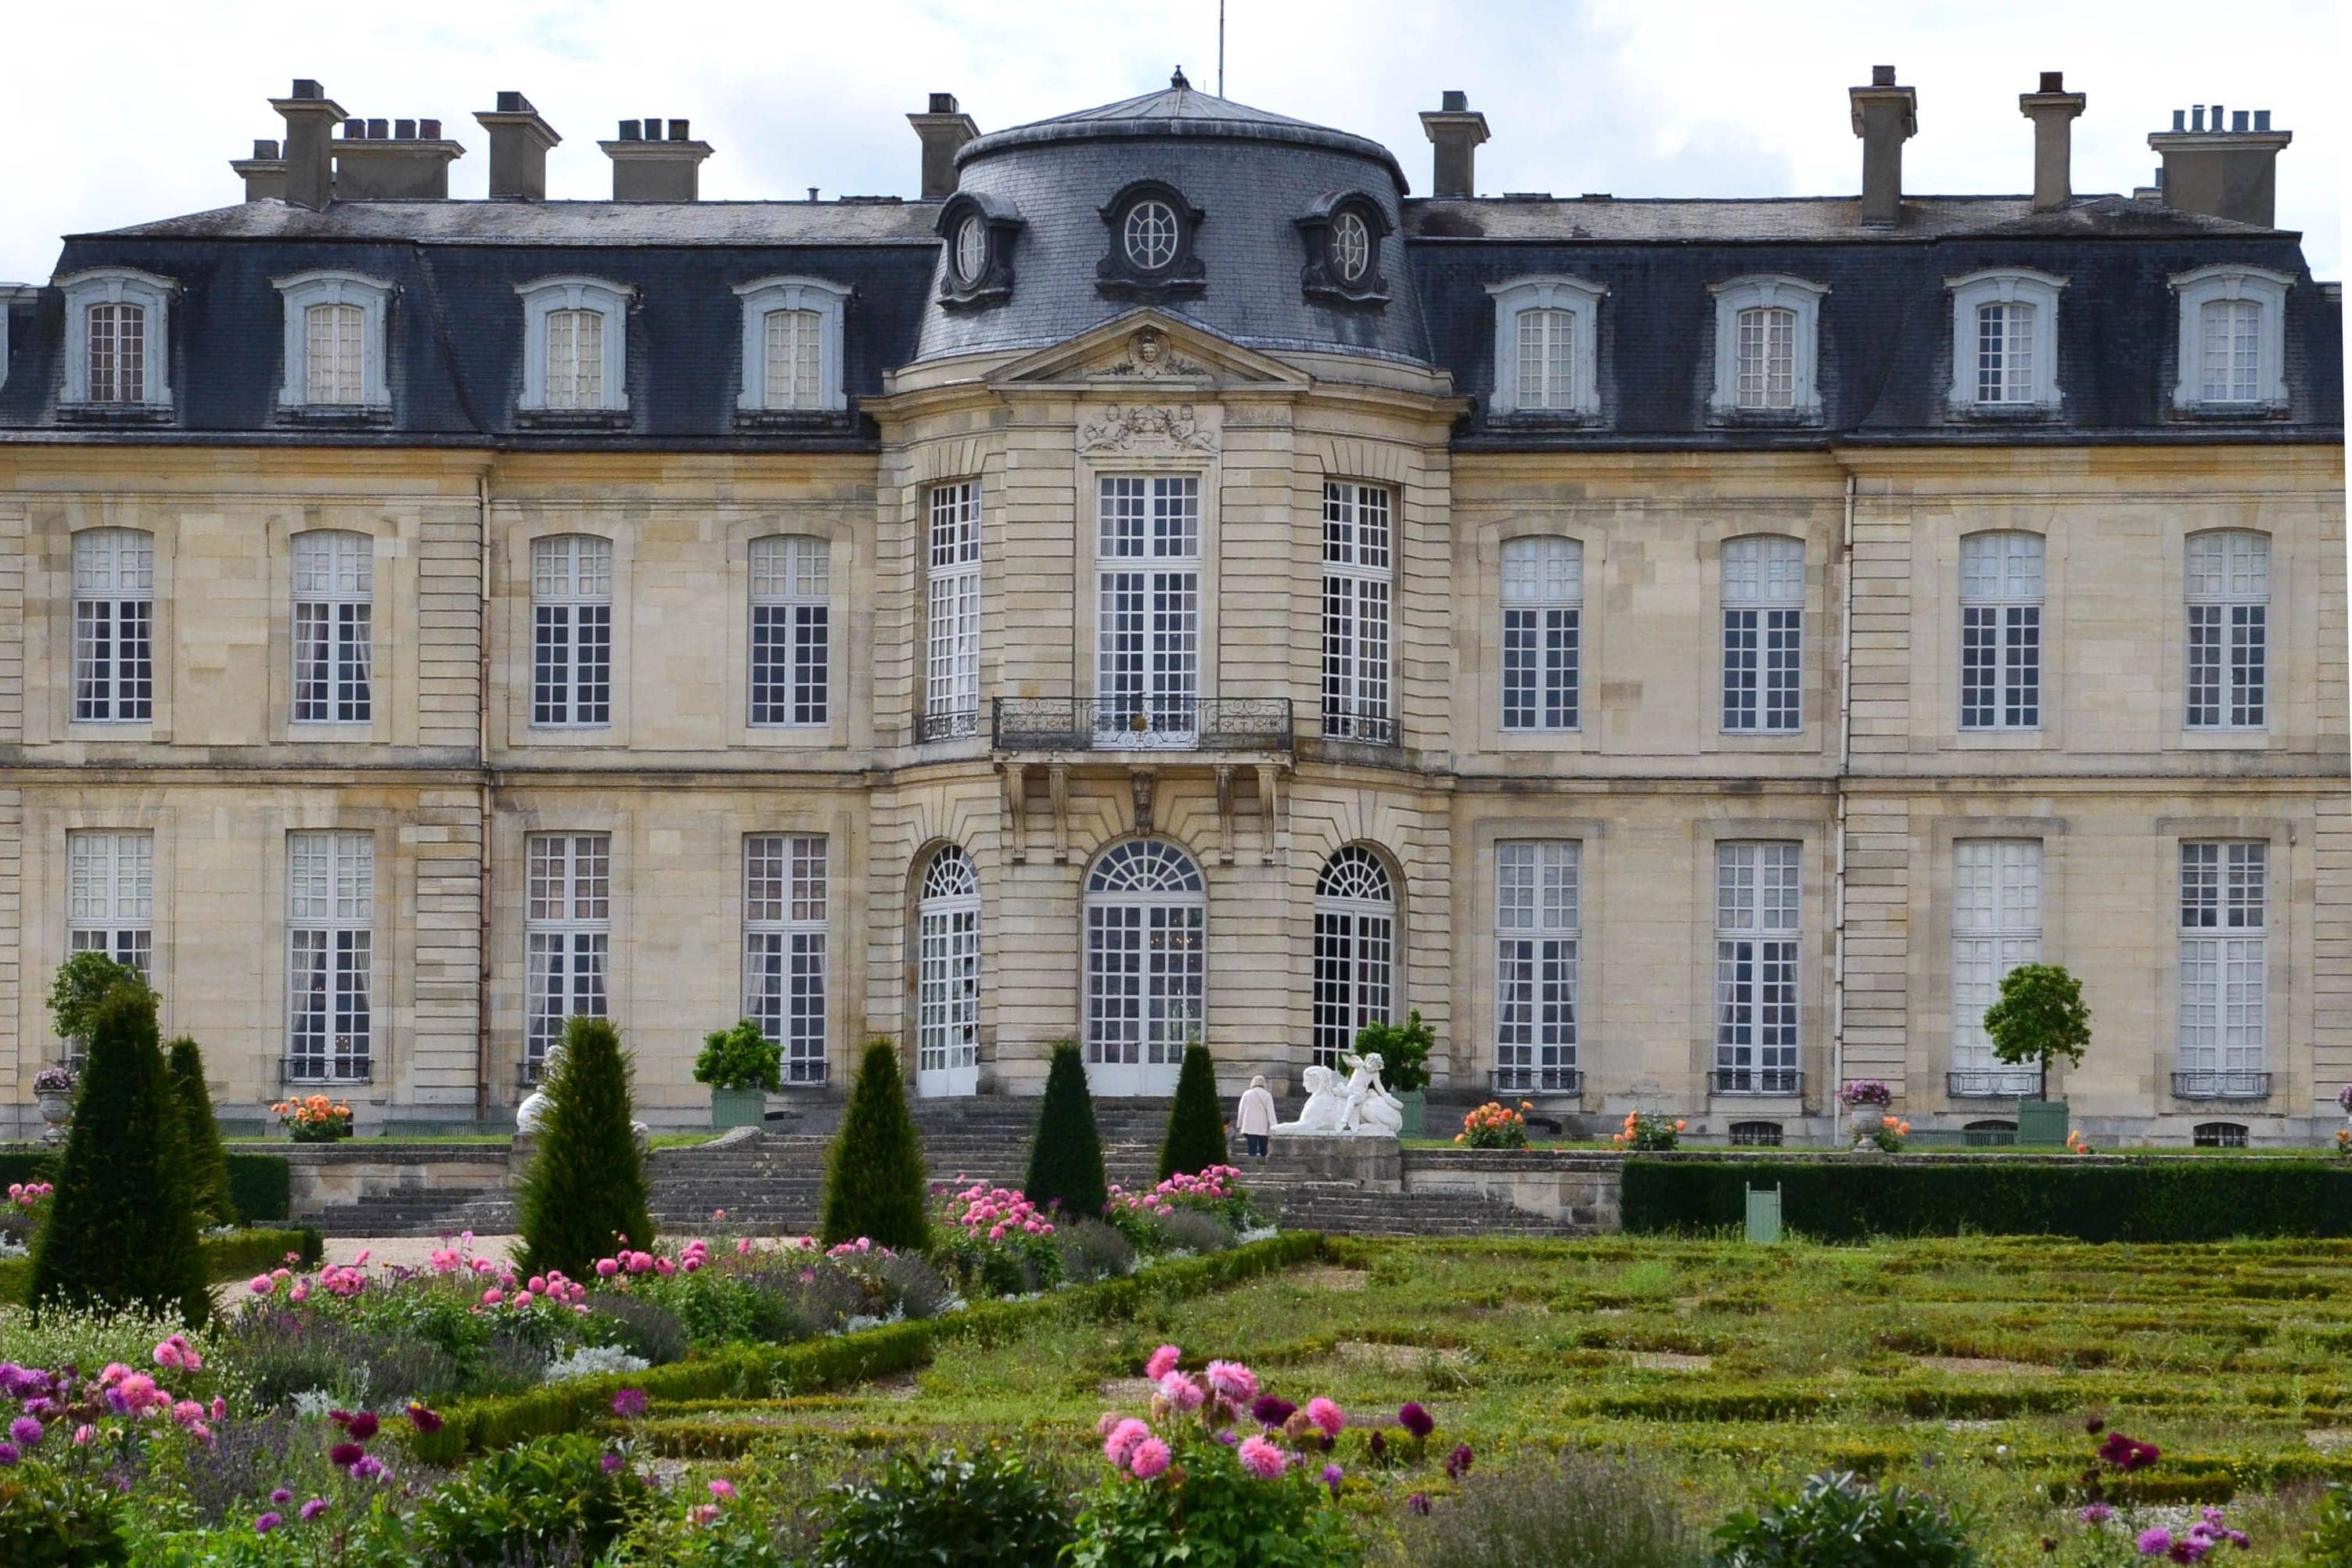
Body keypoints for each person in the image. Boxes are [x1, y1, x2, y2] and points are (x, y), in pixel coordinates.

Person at [1235, 1074, 1278, 1159]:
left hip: (1249, 1124)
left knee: (1252, 1146)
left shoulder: (1246, 1094)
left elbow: (1241, 1110)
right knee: (1263, 1147)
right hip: (1263, 1124)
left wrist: (1239, 1124)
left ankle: (1252, 1161)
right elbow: (1271, 1111)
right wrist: (1274, 1125)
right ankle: (1263, 1162)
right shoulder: (1267, 1095)